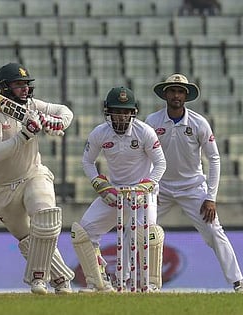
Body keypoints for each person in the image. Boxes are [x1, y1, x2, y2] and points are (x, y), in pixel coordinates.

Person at [145, 74, 243, 293]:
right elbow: (143, 155)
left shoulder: (198, 122)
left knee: (214, 231)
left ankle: (238, 282)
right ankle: (125, 280)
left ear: (186, 96)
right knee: (139, 229)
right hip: (160, 188)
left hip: (192, 188)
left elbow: (214, 158)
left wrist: (211, 197)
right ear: (165, 94)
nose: (176, 95)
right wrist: (148, 185)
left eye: (181, 91)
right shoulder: (152, 122)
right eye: (173, 91)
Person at [0, 62, 75, 294]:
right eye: (18, 85)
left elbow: (65, 111)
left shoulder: (32, 105)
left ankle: (37, 278)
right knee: (28, 240)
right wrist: (23, 135)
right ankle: (62, 278)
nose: (24, 89)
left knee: (45, 217)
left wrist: (56, 122)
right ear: (4, 88)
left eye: (26, 84)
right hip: (2, 189)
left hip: (33, 173)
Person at [71, 86, 166, 293]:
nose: (121, 117)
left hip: (142, 193)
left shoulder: (145, 132)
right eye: (116, 111)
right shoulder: (100, 133)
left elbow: (160, 163)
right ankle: (99, 282)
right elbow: (87, 161)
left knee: (147, 234)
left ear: (133, 112)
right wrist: (100, 185)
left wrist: (146, 187)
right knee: (83, 232)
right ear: (108, 112)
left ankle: (150, 285)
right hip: (114, 193)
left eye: (125, 112)